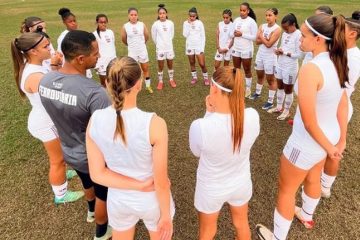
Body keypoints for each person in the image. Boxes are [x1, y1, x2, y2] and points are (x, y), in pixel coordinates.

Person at [39, 30, 152, 240]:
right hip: (93, 158)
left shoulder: (45, 81)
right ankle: (101, 231)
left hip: (69, 151)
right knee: (103, 195)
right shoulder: (94, 93)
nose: (99, 56)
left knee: (86, 182)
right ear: (81, 59)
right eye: (95, 53)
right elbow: (109, 132)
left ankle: (91, 212)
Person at [256, 14, 349, 240]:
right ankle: (307, 214)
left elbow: (308, 122)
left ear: (318, 39)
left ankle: (278, 237)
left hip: (308, 141)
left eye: (304, 35)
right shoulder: (337, 61)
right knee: (313, 175)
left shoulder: (311, 69)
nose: (299, 39)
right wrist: (339, 140)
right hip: (327, 136)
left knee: (286, 189)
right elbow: (342, 102)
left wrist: (330, 148)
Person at [87, 56, 175, 240]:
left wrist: (137, 185)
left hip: (119, 200)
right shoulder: (155, 124)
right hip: (152, 200)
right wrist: (166, 215)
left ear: (108, 83)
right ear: (139, 84)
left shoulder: (95, 120)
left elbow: (97, 174)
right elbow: (160, 182)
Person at [10, 32, 84, 204]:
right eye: (45, 46)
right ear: (33, 51)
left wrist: (54, 66)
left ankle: (64, 174)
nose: (50, 48)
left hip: (49, 119)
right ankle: (61, 194)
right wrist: (58, 68)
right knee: (56, 160)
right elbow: (58, 92)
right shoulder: (34, 76)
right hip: (45, 123)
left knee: (61, 153)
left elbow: (54, 81)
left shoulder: (37, 65)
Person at [189, 67, 260, 240]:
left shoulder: (201, 126)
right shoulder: (252, 116)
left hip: (211, 188)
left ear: (214, 89)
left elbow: (196, 152)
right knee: (241, 224)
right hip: (241, 183)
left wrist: (208, 113)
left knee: (207, 232)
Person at [321, 10, 360, 198]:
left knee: (333, 149)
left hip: (338, 108)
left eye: (341, 30)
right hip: (330, 105)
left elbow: (341, 92)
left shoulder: (352, 58)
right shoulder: (342, 50)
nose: (335, 33)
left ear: (352, 34)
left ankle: (325, 185)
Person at [267, 13, 302, 121]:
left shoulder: (299, 35)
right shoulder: (285, 34)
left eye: (286, 28)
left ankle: (286, 111)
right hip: (280, 64)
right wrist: (278, 51)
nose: (285, 30)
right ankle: (278, 107)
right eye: (283, 28)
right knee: (280, 86)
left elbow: (299, 55)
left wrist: (285, 53)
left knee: (288, 90)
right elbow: (283, 46)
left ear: (293, 24)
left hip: (290, 67)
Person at [250, 8, 281, 111]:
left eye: (270, 15)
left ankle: (270, 101)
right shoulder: (262, 26)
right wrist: (265, 38)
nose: (267, 17)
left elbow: (268, 44)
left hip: (270, 57)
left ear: (276, 16)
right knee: (259, 75)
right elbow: (257, 42)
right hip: (260, 55)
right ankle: (258, 93)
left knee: (271, 79)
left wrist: (261, 36)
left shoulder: (277, 29)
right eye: (266, 15)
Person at [121, 7, 153, 94]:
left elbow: (146, 36)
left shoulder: (142, 24)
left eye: (135, 15)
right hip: (132, 52)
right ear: (128, 15)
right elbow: (123, 39)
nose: (134, 16)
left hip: (142, 50)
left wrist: (141, 44)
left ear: (137, 15)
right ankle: (134, 87)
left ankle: (148, 86)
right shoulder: (125, 26)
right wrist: (130, 45)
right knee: (133, 70)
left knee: (145, 68)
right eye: (132, 15)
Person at [57, 7, 93, 79]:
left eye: (74, 21)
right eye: (70, 22)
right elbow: (61, 56)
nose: (73, 23)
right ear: (64, 22)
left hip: (83, 67)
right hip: (74, 71)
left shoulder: (78, 34)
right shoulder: (63, 37)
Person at [231, 2, 258, 97]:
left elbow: (255, 37)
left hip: (246, 49)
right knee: (237, 69)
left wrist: (242, 34)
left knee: (247, 69)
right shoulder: (236, 20)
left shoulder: (251, 22)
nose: (242, 12)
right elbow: (230, 34)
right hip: (236, 48)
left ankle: (248, 89)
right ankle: (237, 87)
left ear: (248, 11)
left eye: (244, 10)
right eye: (240, 10)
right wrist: (233, 33)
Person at [151, 4, 176, 90]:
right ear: (158, 15)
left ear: (166, 14)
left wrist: (167, 42)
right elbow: (153, 36)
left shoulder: (170, 23)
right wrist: (159, 44)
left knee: (170, 64)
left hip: (169, 48)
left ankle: (171, 79)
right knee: (160, 66)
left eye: (163, 13)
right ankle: (160, 81)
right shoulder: (155, 24)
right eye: (160, 13)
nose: (162, 15)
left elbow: (172, 35)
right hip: (160, 48)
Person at [183, 7, 209, 85]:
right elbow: (185, 35)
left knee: (202, 64)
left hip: (198, 46)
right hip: (190, 46)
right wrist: (189, 24)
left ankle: (206, 78)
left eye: (193, 16)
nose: (192, 18)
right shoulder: (185, 23)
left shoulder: (200, 23)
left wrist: (202, 48)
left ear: (196, 15)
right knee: (192, 62)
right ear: (189, 15)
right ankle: (194, 77)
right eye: (190, 16)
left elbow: (203, 36)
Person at [93, 13, 117, 87]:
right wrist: (97, 65)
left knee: (114, 82)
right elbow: (93, 50)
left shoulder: (110, 32)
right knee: (104, 84)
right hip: (102, 62)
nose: (103, 24)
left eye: (105, 22)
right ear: (97, 23)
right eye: (101, 22)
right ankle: (104, 98)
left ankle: (113, 97)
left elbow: (112, 45)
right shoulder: (94, 35)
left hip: (112, 61)